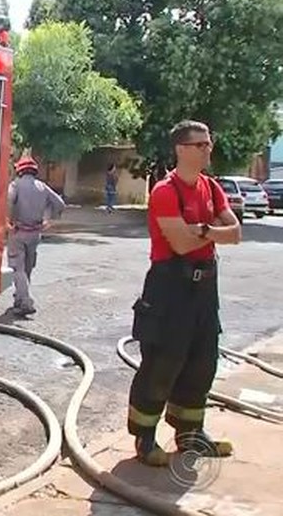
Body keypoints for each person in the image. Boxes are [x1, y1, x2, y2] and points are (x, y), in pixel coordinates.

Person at [126, 119, 241, 467]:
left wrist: (202, 229)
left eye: (208, 143)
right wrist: (211, 232)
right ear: (181, 149)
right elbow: (178, 243)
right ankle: (145, 437)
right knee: (163, 361)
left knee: (202, 361)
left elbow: (235, 232)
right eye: (200, 144)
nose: (208, 149)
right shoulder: (165, 191)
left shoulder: (211, 187)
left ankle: (191, 434)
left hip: (205, 287)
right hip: (169, 287)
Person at [6, 155, 66, 316]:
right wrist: (49, 219)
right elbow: (60, 204)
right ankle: (19, 298)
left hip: (18, 232)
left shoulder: (15, 185)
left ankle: (25, 301)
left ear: (19, 170)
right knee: (27, 268)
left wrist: (7, 221)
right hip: (35, 234)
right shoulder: (43, 187)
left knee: (18, 268)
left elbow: (8, 200)